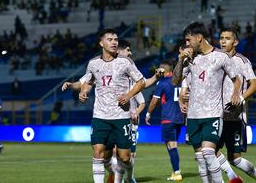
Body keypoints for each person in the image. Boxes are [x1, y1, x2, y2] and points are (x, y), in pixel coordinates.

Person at [172, 22, 242, 183]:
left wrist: (236, 94)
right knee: (200, 157)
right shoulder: (190, 59)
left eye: (189, 40)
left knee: (209, 153)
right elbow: (175, 80)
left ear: (199, 38)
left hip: (212, 114)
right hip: (193, 115)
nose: (187, 44)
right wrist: (180, 60)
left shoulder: (220, 57)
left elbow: (236, 79)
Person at [79, 28, 145, 183]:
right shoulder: (93, 63)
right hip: (100, 116)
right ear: (101, 43)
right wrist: (84, 92)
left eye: (116, 39)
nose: (114, 42)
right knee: (99, 153)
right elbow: (88, 82)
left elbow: (141, 82)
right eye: (110, 39)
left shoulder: (125, 62)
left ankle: (129, 175)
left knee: (125, 157)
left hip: (121, 117)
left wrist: (128, 96)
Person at [218, 27, 256, 183]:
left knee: (235, 159)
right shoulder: (216, 59)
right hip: (217, 115)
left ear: (235, 42)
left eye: (227, 38)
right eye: (221, 38)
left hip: (236, 117)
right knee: (209, 150)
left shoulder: (242, 61)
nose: (223, 41)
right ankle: (233, 178)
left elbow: (254, 84)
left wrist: (240, 98)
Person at [145, 59, 185, 181]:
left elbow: (154, 101)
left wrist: (148, 113)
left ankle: (177, 173)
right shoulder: (181, 81)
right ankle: (175, 171)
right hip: (180, 118)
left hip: (168, 118)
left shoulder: (162, 83)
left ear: (162, 70)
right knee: (172, 145)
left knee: (171, 145)